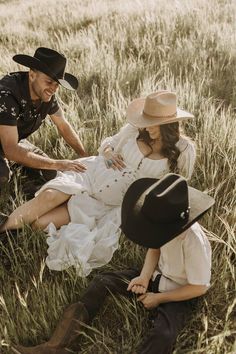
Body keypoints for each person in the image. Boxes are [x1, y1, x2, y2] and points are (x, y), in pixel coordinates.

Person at [13, 173, 215, 354]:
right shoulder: (163, 226)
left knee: (164, 334)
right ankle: (56, 346)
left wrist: (159, 298)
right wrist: (144, 277)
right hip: (156, 277)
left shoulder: (193, 241)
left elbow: (199, 287)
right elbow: (155, 247)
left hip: (180, 292)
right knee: (103, 281)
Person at [0, 91, 196, 275]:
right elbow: (109, 143)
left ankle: (12, 234)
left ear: (169, 124)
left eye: (152, 123)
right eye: (146, 121)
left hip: (109, 204)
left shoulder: (184, 151)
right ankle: (2, 231)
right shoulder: (134, 130)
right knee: (50, 196)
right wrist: (109, 153)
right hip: (93, 173)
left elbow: (178, 187)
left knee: (38, 224)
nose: (146, 127)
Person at [0, 47, 87, 191]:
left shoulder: (47, 95)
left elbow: (63, 125)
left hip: (14, 140)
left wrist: (84, 157)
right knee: (3, 177)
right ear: (32, 75)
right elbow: (10, 149)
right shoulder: (7, 94)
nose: (53, 89)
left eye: (56, 85)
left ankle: (16, 168)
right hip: (8, 145)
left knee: (52, 175)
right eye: (49, 82)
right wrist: (58, 163)